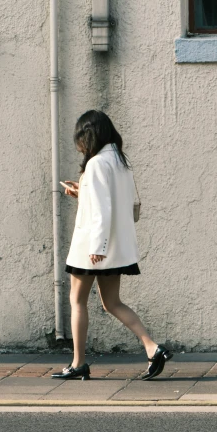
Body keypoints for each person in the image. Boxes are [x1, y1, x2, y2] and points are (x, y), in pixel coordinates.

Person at [51, 110, 172, 381]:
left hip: (92, 247)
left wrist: (97, 246)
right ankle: (152, 348)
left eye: (80, 138)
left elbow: (102, 210)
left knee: (77, 301)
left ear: (88, 136)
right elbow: (116, 202)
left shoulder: (96, 164)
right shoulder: (119, 161)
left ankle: (79, 363)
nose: (79, 144)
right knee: (112, 302)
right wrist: (81, 192)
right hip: (113, 246)